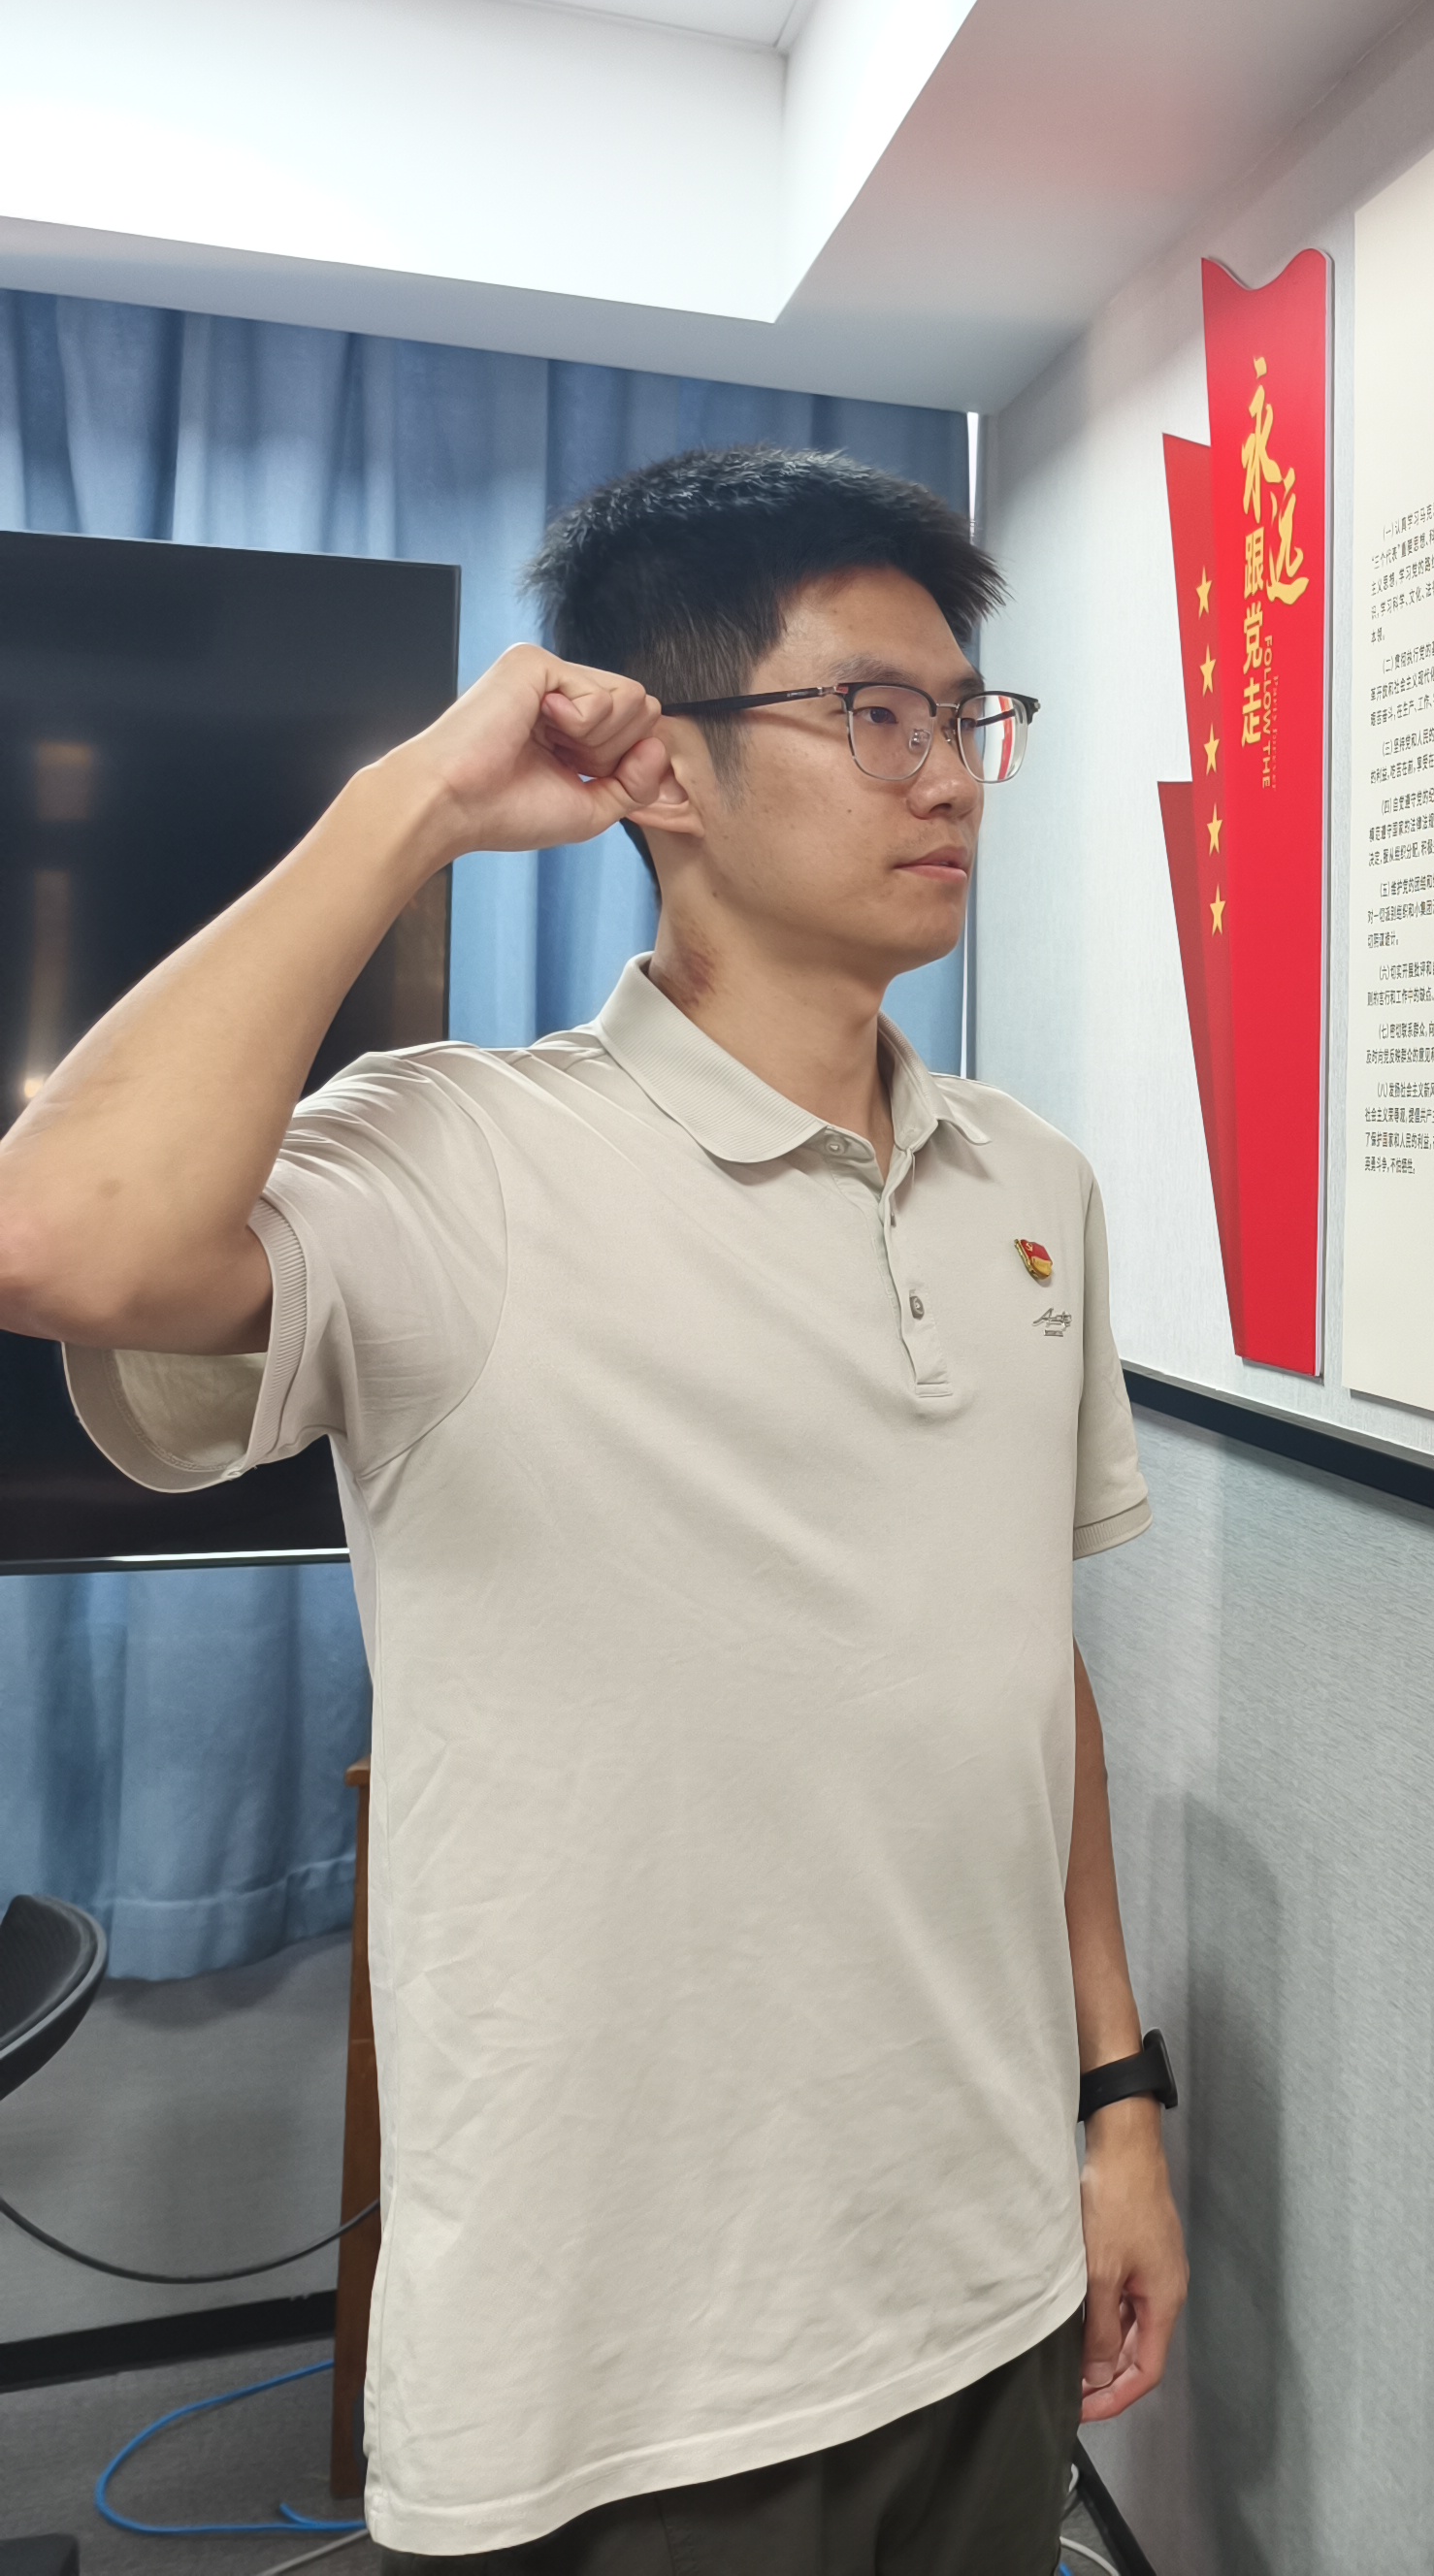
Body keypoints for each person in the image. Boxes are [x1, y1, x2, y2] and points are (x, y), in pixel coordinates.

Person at [0, 447, 1185, 2570]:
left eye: (965, 714)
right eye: (873, 714)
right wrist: (409, 806)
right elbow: (61, 1236)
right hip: (624, 2382)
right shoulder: (460, 1162)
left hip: (982, 2277)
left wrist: (1118, 2102)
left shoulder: (1033, 1184)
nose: (949, 778)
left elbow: (1024, 1672)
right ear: (666, 767)